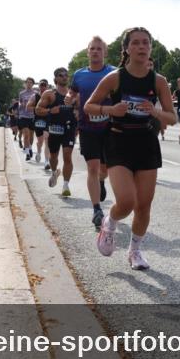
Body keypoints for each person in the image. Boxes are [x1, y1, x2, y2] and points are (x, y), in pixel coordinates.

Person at [86, 28, 176, 270]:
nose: (141, 46)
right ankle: (109, 223)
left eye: (146, 42)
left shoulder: (158, 81)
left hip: (146, 142)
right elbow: (89, 106)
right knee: (126, 201)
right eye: (135, 43)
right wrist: (110, 110)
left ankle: (135, 251)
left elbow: (172, 117)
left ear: (150, 48)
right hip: (118, 141)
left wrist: (155, 111)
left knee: (143, 205)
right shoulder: (115, 78)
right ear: (126, 49)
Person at [69, 36, 116, 230]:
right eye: (92, 48)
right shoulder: (79, 75)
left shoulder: (113, 73)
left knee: (105, 170)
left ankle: (102, 182)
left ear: (104, 52)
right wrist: (69, 98)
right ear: (88, 52)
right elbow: (72, 92)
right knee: (92, 168)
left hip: (110, 127)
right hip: (87, 127)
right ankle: (97, 209)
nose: (95, 51)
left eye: (99, 49)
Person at [36, 68, 77, 197]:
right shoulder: (50, 94)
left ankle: (66, 185)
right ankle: (54, 172)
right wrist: (49, 111)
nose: (64, 77)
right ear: (55, 79)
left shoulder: (74, 94)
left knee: (67, 156)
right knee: (53, 157)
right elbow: (38, 110)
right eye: (61, 75)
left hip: (69, 128)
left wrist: (78, 114)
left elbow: (80, 109)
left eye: (66, 75)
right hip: (54, 128)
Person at [29, 79, 50, 166]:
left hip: (48, 119)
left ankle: (46, 161)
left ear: (47, 86)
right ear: (39, 86)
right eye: (41, 85)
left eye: (45, 85)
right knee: (40, 141)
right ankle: (38, 152)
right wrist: (38, 109)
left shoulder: (51, 96)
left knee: (47, 140)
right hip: (38, 120)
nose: (43, 87)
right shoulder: (35, 96)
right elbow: (28, 107)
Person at [17, 78, 39, 160]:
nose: (29, 84)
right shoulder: (21, 93)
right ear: (25, 84)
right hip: (23, 116)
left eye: (30, 83)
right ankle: (27, 153)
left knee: (31, 135)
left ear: (33, 84)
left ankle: (30, 148)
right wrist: (20, 105)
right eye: (28, 83)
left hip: (32, 116)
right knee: (26, 135)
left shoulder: (36, 93)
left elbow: (38, 104)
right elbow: (19, 102)